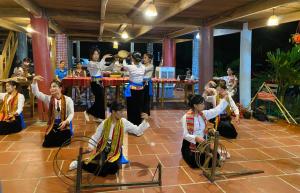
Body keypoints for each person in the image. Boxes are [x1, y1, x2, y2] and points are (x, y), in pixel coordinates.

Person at [69, 101, 150, 177]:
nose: (123, 114)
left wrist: (145, 120)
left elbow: (137, 130)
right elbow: (96, 136)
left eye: (123, 111)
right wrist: (91, 146)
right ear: (114, 112)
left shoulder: (124, 122)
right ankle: (80, 164)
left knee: (113, 169)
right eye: (120, 112)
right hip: (103, 148)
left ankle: (94, 164)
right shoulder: (105, 123)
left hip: (116, 151)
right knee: (102, 170)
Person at [181, 94, 230, 168]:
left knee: (214, 158)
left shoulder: (203, 114)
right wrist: (195, 138)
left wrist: (225, 100)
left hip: (203, 142)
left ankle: (218, 152)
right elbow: (185, 135)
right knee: (195, 162)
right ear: (195, 105)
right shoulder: (186, 117)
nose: (204, 105)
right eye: (202, 104)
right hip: (190, 144)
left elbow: (216, 111)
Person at [31, 75, 74, 147]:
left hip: (64, 123)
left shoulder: (68, 99)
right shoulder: (48, 99)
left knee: (63, 142)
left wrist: (66, 121)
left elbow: (71, 113)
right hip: (53, 123)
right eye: (51, 87)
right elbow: (36, 93)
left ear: (60, 88)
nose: (52, 88)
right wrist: (34, 81)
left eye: (54, 86)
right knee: (47, 143)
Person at [84, 48, 112, 122]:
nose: (96, 56)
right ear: (91, 55)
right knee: (100, 99)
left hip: (99, 82)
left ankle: (99, 117)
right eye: (94, 54)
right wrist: (104, 58)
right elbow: (99, 66)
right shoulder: (90, 63)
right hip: (94, 83)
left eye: (97, 54)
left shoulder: (98, 63)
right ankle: (88, 111)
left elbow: (106, 67)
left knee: (100, 100)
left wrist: (114, 63)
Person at [122, 52, 145, 125]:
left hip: (132, 90)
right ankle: (138, 122)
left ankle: (131, 122)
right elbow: (139, 64)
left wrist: (124, 58)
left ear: (133, 59)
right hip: (140, 90)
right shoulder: (143, 67)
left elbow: (124, 66)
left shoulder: (130, 67)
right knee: (139, 106)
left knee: (131, 106)